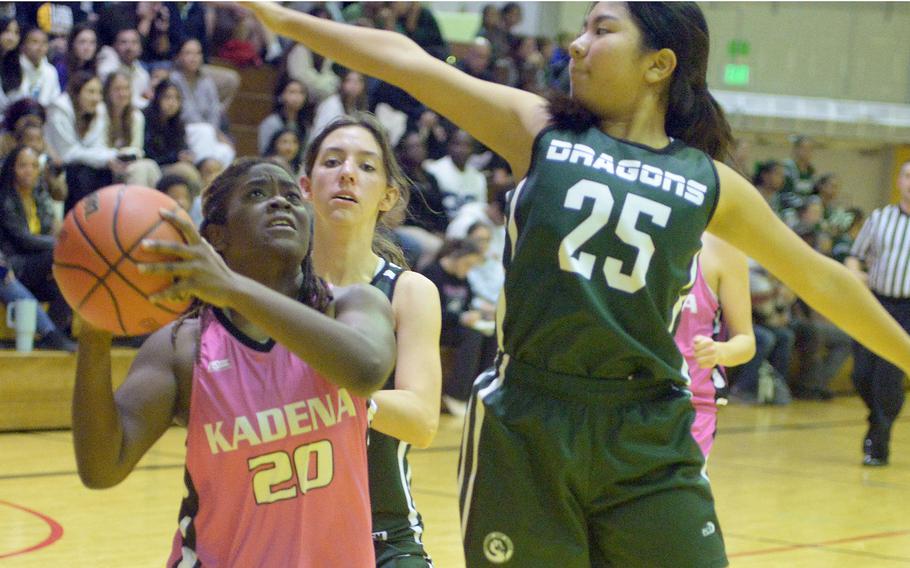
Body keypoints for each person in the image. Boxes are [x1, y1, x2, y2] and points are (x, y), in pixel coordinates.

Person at [249, 2, 910, 565]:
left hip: (647, 428)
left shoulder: (710, 182)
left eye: (600, 29)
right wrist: (277, 15)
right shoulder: (538, 131)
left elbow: (825, 281)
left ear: (659, 63)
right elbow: (403, 59)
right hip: (529, 420)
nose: (577, 42)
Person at [72, 157, 397, 566]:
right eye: (258, 194)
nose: (281, 203)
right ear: (216, 237)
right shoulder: (182, 347)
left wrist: (232, 289)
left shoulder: (355, 304)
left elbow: (366, 370)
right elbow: (102, 469)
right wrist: (95, 332)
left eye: (291, 197)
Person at [301, 113, 442, 567]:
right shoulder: (270, 292)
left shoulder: (410, 293)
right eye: (332, 161)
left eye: (365, 166)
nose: (346, 173)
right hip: (284, 528)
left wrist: (335, 387)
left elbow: (421, 421)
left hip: (382, 534)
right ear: (305, 185)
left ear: (389, 196)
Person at [845, 159, 910, 466]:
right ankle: (879, 416)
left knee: (887, 377)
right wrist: (856, 277)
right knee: (860, 374)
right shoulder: (880, 218)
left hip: (908, 310)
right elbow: (855, 257)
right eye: (908, 176)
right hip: (875, 304)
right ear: (899, 181)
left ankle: (878, 442)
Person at [674, 232, 755, 458]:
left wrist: (720, 351)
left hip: (691, 405)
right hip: (623, 398)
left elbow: (746, 342)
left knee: (681, 492)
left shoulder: (724, 250)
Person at [0, 145, 71, 335]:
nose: (29, 171)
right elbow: (23, 240)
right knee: (62, 255)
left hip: (36, 265)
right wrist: (59, 245)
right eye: (23, 165)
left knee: (67, 285)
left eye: (33, 166)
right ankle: (52, 336)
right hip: (14, 265)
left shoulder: (39, 196)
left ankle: (56, 334)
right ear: (11, 169)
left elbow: (51, 229)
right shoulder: (4, 199)